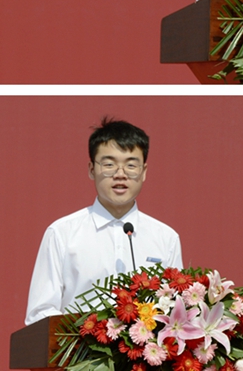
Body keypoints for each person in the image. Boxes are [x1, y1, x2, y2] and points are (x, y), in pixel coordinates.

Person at [25, 118, 182, 325]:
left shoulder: (166, 238)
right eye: (109, 165)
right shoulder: (62, 233)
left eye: (131, 165)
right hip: (79, 344)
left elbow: (176, 308)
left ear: (144, 172)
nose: (120, 174)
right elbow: (40, 312)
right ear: (92, 169)